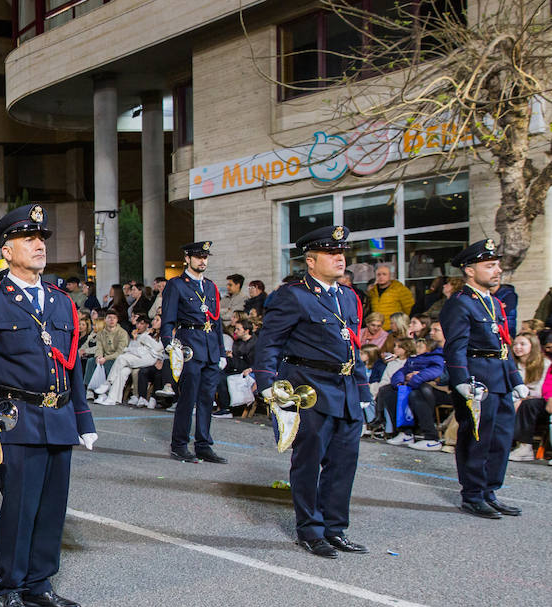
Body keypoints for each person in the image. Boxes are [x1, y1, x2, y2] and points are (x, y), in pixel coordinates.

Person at [0, 203, 96, 607]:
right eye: (28, 239)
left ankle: (39, 583)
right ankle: (9, 588)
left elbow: (72, 367)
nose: (38, 245)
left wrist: (83, 420)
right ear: (7, 251)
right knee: (19, 507)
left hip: (60, 416)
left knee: (53, 508)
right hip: (16, 418)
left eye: (41, 239)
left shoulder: (62, 303)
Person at [254, 225, 371, 559]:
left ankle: (335, 529)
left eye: (342, 253)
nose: (340, 258)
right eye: (332, 253)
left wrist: (363, 390)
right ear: (310, 259)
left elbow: (353, 347)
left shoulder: (348, 296)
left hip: (346, 388)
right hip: (310, 388)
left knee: (344, 462)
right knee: (308, 461)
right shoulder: (292, 295)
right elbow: (270, 342)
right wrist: (267, 386)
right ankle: (310, 529)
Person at [440, 239, 527, 518]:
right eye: (490, 266)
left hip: (499, 376)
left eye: (497, 265)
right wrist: (461, 380)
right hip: (477, 379)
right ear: (469, 270)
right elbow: (455, 346)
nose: (497, 270)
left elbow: (504, 344)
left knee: (500, 439)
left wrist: (515, 379)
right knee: (477, 438)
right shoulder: (461, 303)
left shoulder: (495, 303)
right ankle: (473, 494)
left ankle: (490, 491)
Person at [160, 242, 228, 463]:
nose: (203, 261)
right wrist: (169, 342)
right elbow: (168, 318)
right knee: (188, 399)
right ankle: (179, 444)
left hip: (210, 347)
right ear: (187, 259)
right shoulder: (177, 285)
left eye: (205, 257)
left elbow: (216, 322)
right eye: (198, 257)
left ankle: (203, 445)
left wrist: (222, 353)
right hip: (189, 346)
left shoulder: (210, 287)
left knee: (208, 399)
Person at [509, 333, 550, 462]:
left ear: (533, 346)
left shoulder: (545, 363)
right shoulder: (511, 364)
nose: (517, 347)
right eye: (515, 344)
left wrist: (522, 398)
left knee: (528, 405)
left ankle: (525, 447)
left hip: (540, 402)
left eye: (523, 344)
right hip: (515, 399)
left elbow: (542, 390)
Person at [367, 264, 415, 330]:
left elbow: (409, 309)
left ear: (390, 276)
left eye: (384, 274)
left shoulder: (400, 289)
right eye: (378, 274)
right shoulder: (372, 291)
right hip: (377, 329)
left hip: (394, 328)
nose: (381, 277)